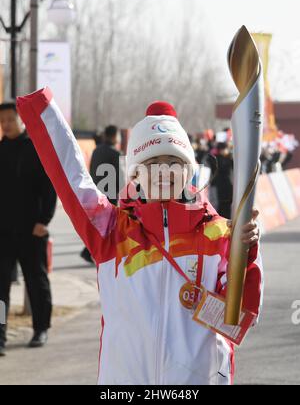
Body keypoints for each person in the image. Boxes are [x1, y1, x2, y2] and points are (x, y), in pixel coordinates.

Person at [17, 89, 262, 385]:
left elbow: (236, 320)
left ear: (188, 172)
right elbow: (71, 177)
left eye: (174, 162)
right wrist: (43, 111)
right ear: (135, 174)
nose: (163, 172)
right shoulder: (110, 230)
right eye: (151, 163)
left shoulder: (220, 234)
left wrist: (246, 253)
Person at [0, 101, 57, 357]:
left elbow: (49, 189)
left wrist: (43, 221)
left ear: (21, 119)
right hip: (3, 232)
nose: (6, 124)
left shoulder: (35, 149)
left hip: (32, 230)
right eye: (2, 121)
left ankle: (41, 327)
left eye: (10, 119)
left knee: (36, 281)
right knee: (0, 287)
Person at [80, 125, 124, 264]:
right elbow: (120, 177)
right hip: (110, 195)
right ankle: (91, 252)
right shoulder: (115, 153)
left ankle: (90, 251)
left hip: (97, 191)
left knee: (100, 225)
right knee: (108, 225)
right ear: (114, 136)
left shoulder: (96, 151)